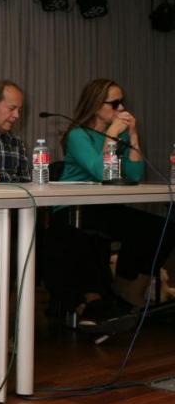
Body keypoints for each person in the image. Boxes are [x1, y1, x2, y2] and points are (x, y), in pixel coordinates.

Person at [0, 80, 131, 332]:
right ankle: (82, 305)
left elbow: (28, 182)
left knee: (65, 236)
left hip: (16, 216)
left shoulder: (16, 143)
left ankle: (87, 304)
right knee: (46, 241)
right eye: (13, 108)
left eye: (20, 110)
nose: (17, 115)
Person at [58, 78, 175, 305]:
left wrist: (133, 136)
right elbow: (102, 172)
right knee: (133, 228)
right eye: (114, 103)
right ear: (96, 105)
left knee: (163, 229)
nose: (121, 108)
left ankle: (129, 286)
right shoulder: (78, 135)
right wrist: (112, 134)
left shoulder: (118, 136)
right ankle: (110, 295)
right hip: (73, 209)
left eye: (122, 102)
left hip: (103, 207)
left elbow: (134, 175)